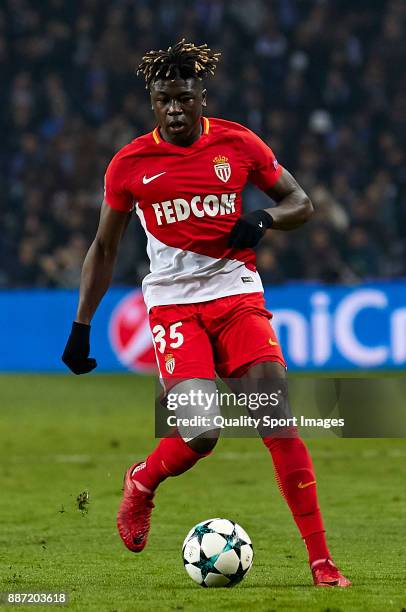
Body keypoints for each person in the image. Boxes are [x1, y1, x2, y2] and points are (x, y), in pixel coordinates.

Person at [62, 40, 350, 587]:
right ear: (152, 102)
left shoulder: (237, 143)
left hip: (236, 291)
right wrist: (81, 326)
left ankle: (321, 563)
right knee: (201, 433)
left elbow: (301, 203)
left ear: (201, 99)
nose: (174, 109)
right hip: (173, 304)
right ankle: (142, 482)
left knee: (276, 419)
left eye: (184, 99)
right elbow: (103, 249)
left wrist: (263, 218)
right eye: (164, 99)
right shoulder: (129, 164)